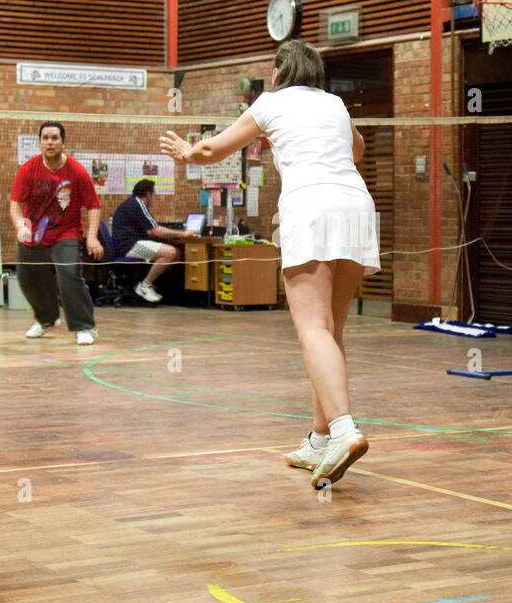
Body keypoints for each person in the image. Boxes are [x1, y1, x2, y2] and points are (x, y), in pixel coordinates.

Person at [161, 39, 380, 489]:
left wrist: (186, 151)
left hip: (311, 207)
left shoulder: (271, 103)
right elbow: (358, 152)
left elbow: (212, 151)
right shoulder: (337, 104)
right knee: (332, 331)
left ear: (280, 72)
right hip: (357, 207)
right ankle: (320, 440)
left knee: (311, 329)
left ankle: (343, 430)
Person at [9, 120, 103, 345]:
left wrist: (91, 237)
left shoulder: (77, 172)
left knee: (69, 275)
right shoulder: (28, 169)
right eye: (45, 138)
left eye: (54, 138)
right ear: (40, 142)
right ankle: (47, 319)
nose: (50, 143)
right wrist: (20, 226)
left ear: (63, 142)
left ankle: (82, 326)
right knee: (27, 278)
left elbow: (93, 205)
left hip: (66, 232)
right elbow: (15, 204)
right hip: (35, 234)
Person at [110, 179, 198, 303]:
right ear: (148, 194)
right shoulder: (138, 204)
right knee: (170, 252)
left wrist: (174, 235)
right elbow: (156, 231)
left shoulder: (133, 204)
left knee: (178, 254)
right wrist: (184, 233)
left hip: (129, 243)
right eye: (154, 194)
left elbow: (151, 230)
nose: (154, 198)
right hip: (128, 246)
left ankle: (153, 285)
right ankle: (145, 285)